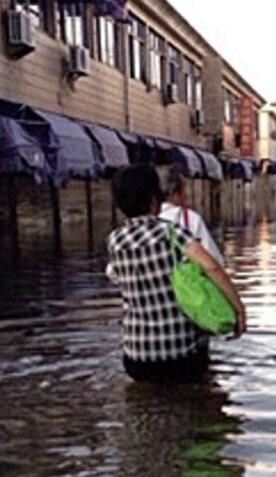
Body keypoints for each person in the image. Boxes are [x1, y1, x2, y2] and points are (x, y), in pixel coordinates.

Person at [106, 164, 247, 383]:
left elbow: (115, 276)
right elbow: (212, 267)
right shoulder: (173, 233)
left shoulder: (115, 240)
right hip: (181, 355)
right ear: (154, 200)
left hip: (136, 358)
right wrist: (238, 308)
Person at [160, 166, 224, 266]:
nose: (185, 196)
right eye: (183, 191)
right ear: (173, 194)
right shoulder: (191, 219)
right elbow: (213, 260)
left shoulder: (146, 222)